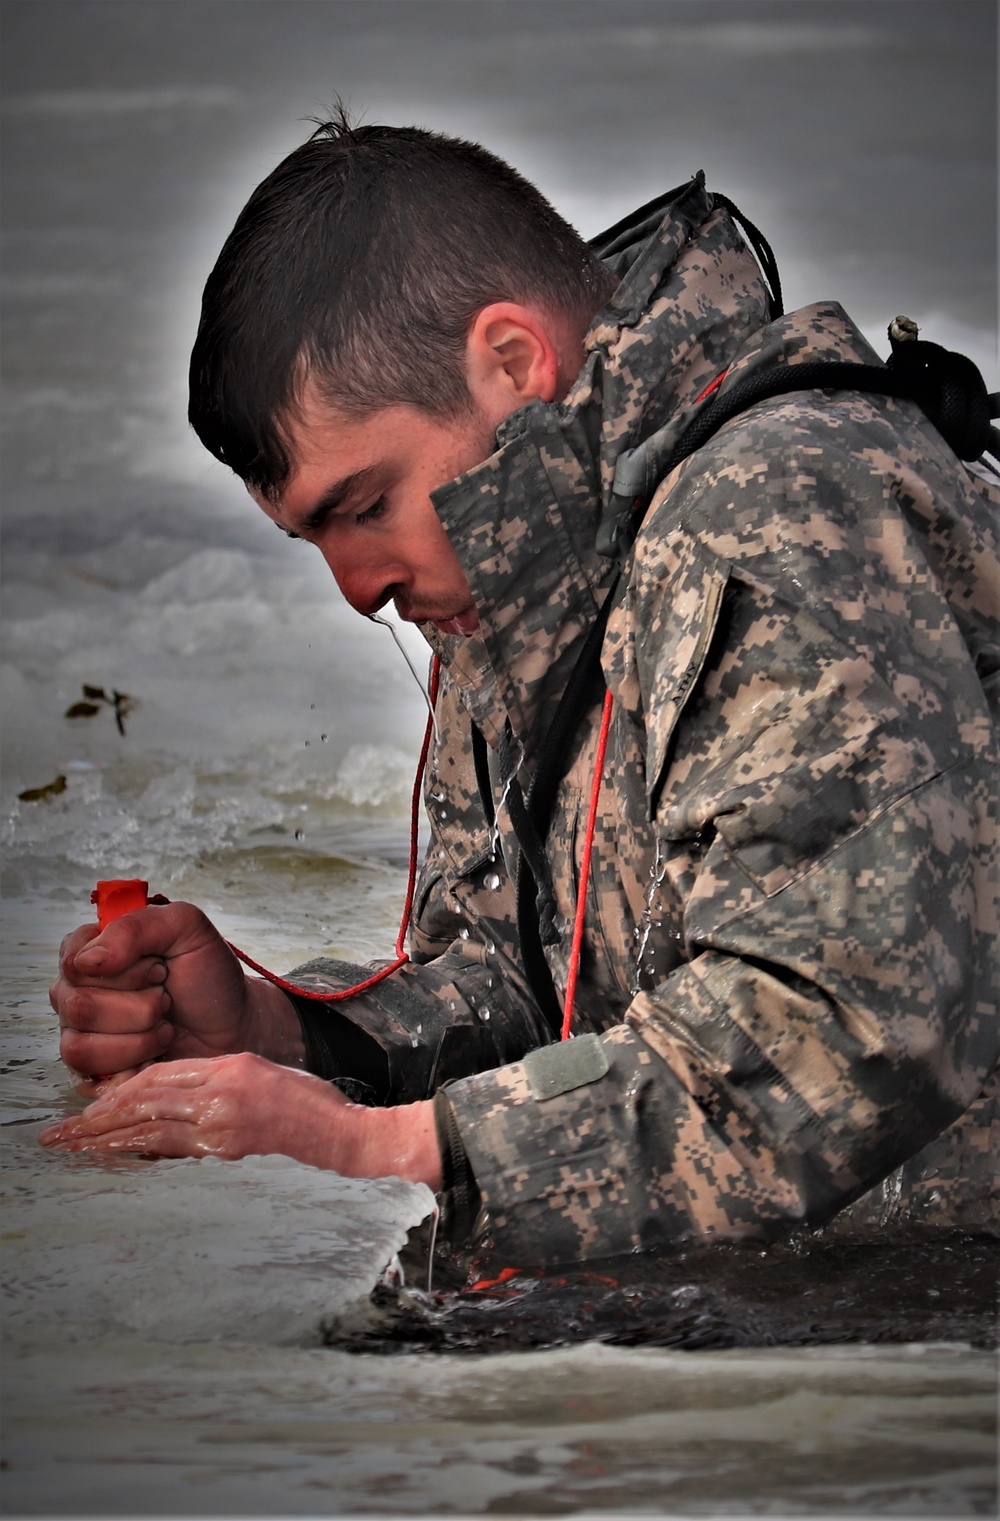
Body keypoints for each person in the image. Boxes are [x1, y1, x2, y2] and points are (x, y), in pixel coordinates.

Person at [42, 117, 999, 1264]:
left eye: (363, 506)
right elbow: (532, 989)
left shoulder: (780, 508)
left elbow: (837, 1030)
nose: (356, 590)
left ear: (510, 361)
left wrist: (375, 1148)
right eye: (313, 538)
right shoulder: (530, 566)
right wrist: (294, 1041)